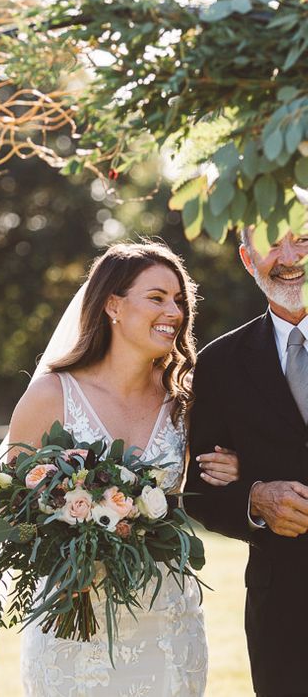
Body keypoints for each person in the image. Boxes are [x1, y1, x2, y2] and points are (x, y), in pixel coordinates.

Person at [7, 242, 240, 697]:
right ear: (113, 304)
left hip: (168, 620)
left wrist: (232, 469)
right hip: (76, 621)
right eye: (156, 297)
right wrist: (74, 529)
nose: (174, 310)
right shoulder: (52, 396)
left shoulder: (186, 402)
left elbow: (212, 483)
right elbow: (13, 510)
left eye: (179, 300)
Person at [185, 202, 308, 696]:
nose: (288, 255)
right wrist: (254, 497)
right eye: (272, 242)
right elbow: (198, 489)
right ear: (246, 258)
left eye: (300, 238)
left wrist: (252, 468)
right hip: (284, 614)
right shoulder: (218, 364)